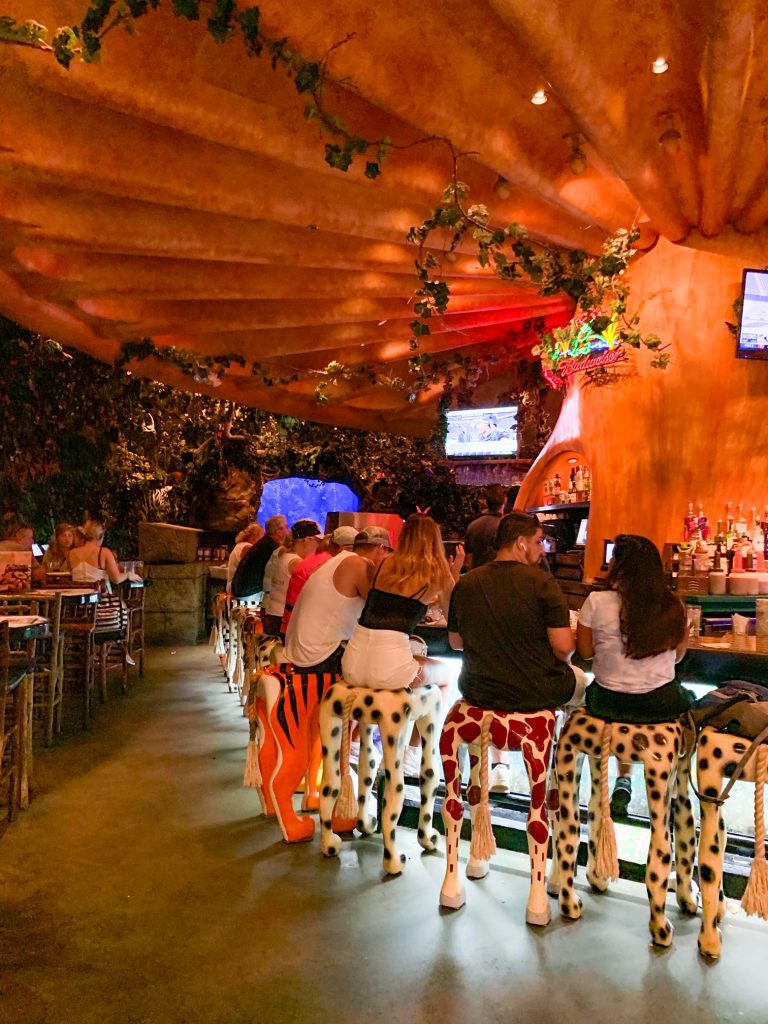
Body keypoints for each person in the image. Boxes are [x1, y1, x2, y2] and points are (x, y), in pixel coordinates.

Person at [448, 511, 587, 787]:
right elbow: (563, 650)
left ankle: (492, 769)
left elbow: (455, 642)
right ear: (521, 543)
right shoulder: (543, 584)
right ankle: (560, 782)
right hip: (535, 691)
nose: (542, 549)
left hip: (478, 690)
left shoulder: (467, 583)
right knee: (584, 689)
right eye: (538, 541)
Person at [576, 533, 690, 818]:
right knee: (688, 702)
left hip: (607, 704)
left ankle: (619, 780)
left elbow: (585, 652)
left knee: (590, 695)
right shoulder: (673, 605)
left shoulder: (596, 601)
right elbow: (678, 657)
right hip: (659, 706)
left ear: (619, 566)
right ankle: (674, 797)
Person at [342, 514, 463, 775]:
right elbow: (455, 618)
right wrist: (453, 575)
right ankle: (415, 752)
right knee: (445, 678)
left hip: (352, 660)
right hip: (388, 667)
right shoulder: (437, 573)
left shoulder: (384, 563)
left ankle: (356, 743)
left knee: (395, 666)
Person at [284, 526, 393, 676]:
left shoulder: (339, 560)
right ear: (381, 549)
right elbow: (380, 608)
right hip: (319, 656)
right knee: (384, 666)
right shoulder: (356, 565)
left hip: (302, 652)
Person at [280, 525, 358, 634]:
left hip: (290, 623)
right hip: (302, 628)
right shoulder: (330, 563)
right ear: (345, 548)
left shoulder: (316, 557)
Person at [260, 520, 323, 636]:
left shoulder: (285, 556)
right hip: (280, 619)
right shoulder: (296, 563)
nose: (318, 546)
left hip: (272, 613)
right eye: (317, 541)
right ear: (307, 540)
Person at [230, 514, 290, 600]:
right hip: (249, 594)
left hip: (241, 590)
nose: (289, 531)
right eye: (286, 527)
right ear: (278, 531)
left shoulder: (265, 543)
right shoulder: (272, 546)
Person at [67, 518, 139, 586]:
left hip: (76, 597)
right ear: (101, 537)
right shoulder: (104, 552)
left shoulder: (71, 553)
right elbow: (116, 579)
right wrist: (128, 575)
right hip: (98, 597)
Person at [463, 484, 507, 570]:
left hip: (477, 577)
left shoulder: (473, 526)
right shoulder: (507, 525)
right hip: (500, 576)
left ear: (486, 502)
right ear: (505, 501)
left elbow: (468, 563)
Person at [226, 522, 264, 595]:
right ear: (255, 536)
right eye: (262, 536)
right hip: (238, 587)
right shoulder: (248, 547)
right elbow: (251, 569)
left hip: (233, 585)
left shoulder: (239, 545)